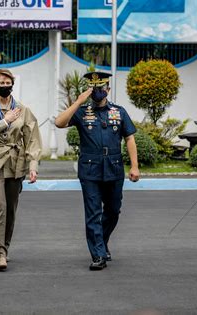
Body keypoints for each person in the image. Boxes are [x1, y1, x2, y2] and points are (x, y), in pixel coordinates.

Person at [55, 71, 139, 271]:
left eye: (102, 88)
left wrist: (134, 166)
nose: (98, 92)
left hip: (114, 167)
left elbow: (129, 138)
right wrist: (78, 101)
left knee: (113, 210)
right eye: (94, 89)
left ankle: (101, 240)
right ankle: (98, 254)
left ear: (108, 90)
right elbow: (59, 122)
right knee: (93, 212)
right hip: (90, 169)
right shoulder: (82, 111)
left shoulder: (119, 111)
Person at [0, 69, 42, 271]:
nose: (5, 85)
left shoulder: (22, 109)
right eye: (0, 83)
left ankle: (6, 247)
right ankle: (0, 253)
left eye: (7, 82)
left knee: (11, 210)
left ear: (12, 84)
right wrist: (6, 121)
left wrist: (33, 166)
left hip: (15, 164)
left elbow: (32, 139)